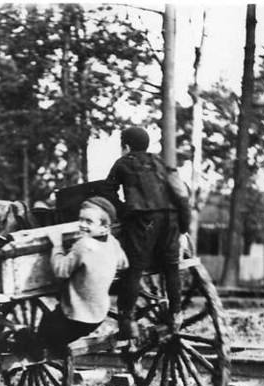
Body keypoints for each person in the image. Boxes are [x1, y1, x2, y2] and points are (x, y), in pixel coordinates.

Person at [101, 125, 190, 342]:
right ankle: (176, 313)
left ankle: (126, 321)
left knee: (134, 269)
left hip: (143, 220)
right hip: (171, 218)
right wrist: (184, 227)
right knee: (171, 267)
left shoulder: (123, 162)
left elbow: (107, 191)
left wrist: (123, 210)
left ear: (126, 146)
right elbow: (181, 194)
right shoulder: (161, 162)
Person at [31, 196, 127, 359]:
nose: (82, 225)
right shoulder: (112, 242)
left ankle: (41, 349)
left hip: (73, 319)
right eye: (81, 220)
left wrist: (57, 246)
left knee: (40, 337)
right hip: (98, 316)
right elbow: (123, 263)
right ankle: (57, 346)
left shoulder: (83, 245)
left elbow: (61, 270)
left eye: (89, 222)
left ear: (104, 227)